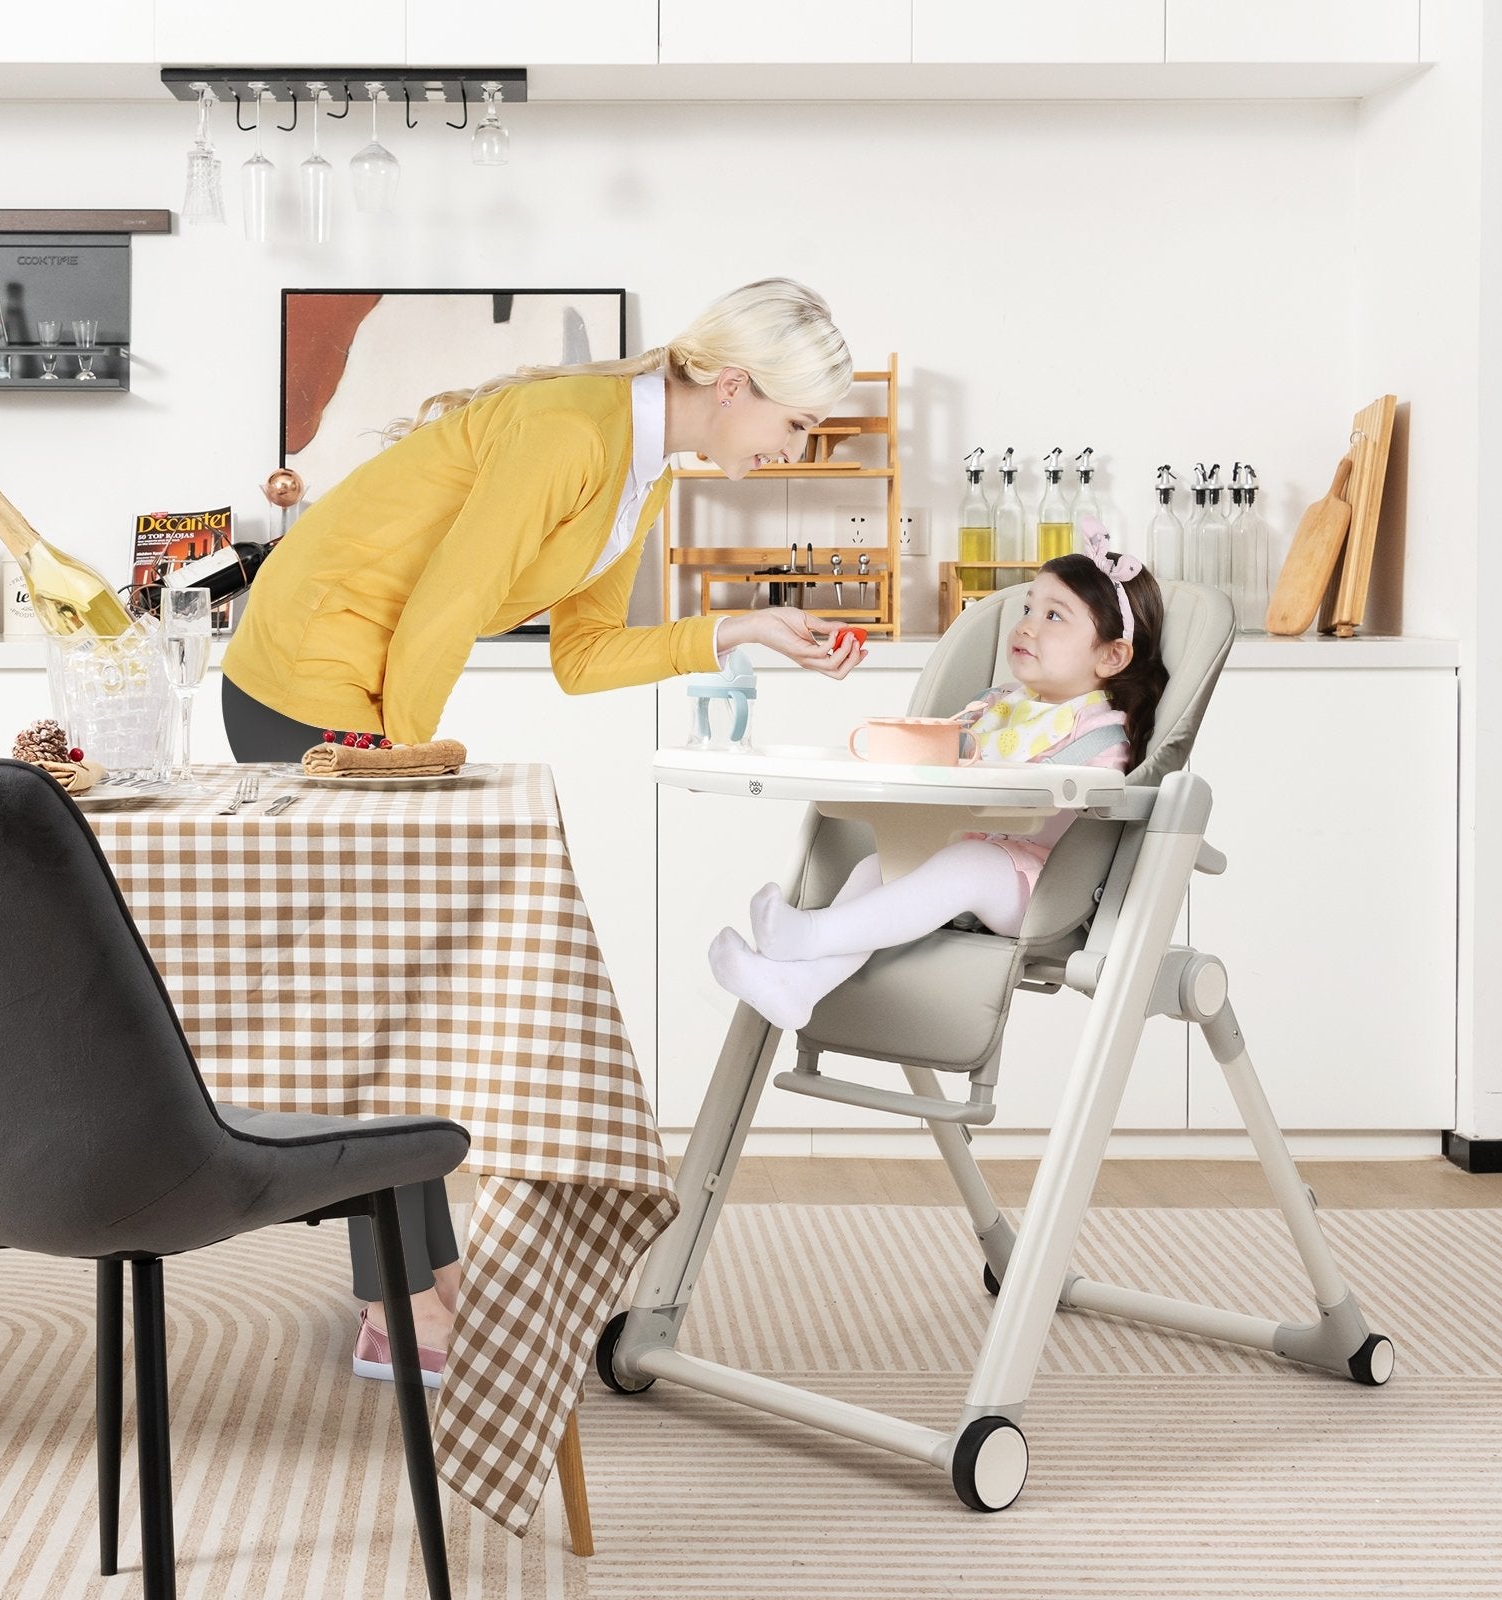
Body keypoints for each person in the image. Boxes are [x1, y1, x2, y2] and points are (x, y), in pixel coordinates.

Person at [219, 278, 865, 1386]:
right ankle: (402, 1301)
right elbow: (439, 612)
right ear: (734, 385)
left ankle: (417, 1288)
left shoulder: (642, 470)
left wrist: (742, 626)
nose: (797, 444)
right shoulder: (571, 428)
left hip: (367, 692)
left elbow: (582, 656)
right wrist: (403, 781)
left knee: (395, 992)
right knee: (392, 994)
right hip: (309, 678)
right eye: (796, 421)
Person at [709, 523, 1168, 1033]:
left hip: (1042, 890)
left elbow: (1087, 822)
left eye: (1053, 616)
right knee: (880, 865)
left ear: (1111, 655)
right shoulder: (997, 705)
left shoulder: (1100, 738)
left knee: (973, 863)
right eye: (1027, 610)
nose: (1027, 626)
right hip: (959, 854)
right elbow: (941, 755)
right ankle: (796, 986)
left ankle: (809, 935)